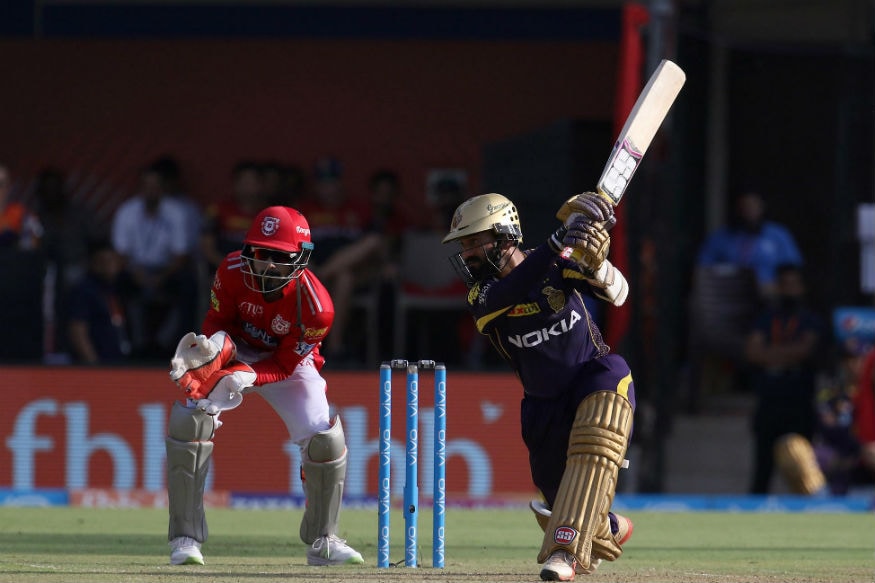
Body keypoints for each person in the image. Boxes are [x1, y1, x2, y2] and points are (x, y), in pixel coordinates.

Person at [441, 192, 634, 581]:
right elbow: (511, 291)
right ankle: (610, 527)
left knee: (597, 439)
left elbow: (619, 293)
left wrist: (596, 263)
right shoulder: (481, 294)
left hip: (594, 375)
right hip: (542, 405)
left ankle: (564, 553)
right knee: (560, 500)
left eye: (474, 241)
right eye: (463, 245)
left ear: (504, 236)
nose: (467, 253)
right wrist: (557, 241)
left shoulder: (559, 261)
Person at [164, 205, 364, 568]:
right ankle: (185, 538)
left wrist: (248, 375)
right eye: (260, 253)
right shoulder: (230, 270)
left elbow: (286, 364)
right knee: (190, 421)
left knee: (324, 439)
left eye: (280, 257)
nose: (267, 265)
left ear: (300, 259)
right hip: (235, 349)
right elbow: (216, 321)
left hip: (287, 364)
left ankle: (324, 541)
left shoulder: (317, 307)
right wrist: (210, 352)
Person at [743, 263, 825, 494]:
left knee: (803, 467)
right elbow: (752, 352)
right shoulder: (766, 318)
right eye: (784, 285)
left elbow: (806, 349)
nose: (789, 290)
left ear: (802, 287)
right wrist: (787, 355)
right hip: (770, 400)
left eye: (794, 285)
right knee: (762, 469)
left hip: (799, 400)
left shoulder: (810, 319)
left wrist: (770, 355)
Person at [111, 162, 193, 360]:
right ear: (139, 188)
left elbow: (181, 255)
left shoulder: (176, 212)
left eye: (155, 186)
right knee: (118, 281)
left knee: (188, 283)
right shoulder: (127, 211)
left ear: (163, 188)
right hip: (135, 269)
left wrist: (161, 277)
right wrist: (137, 273)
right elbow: (120, 254)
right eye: (146, 186)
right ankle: (134, 346)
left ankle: (167, 346)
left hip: (167, 270)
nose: (151, 191)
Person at [298, 157, 375, 364]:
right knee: (328, 275)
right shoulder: (304, 210)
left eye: (332, 182)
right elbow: (294, 244)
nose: (328, 189)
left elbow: (375, 243)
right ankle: (317, 347)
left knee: (346, 275)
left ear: (340, 183)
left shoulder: (358, 210)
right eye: (323, 183)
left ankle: (334, 348)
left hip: (353, 275)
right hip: (309, 272)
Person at [697, 189, 803, 300]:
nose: (749, 212)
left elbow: (791, 270)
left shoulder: (777, 234)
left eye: (753, 207)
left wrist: (776, 288)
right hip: (728, 294)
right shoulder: (720, 237)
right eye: (745, 208)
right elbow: (702, 269)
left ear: (761, 208)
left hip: (768, 294)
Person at [66, 238, 130, 364]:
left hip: (118, 362)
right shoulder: (83, 290)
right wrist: (94, 364)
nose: (109, 266)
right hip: (98, 366)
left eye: (112, 260)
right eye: (103, 261)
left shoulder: (116, 288)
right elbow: (77, 330)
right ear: (92, 263)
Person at [200, 160, 267, 271]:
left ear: (261, 185)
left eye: (251, 182)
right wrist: (231, 269)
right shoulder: (217, 210)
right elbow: (207, 249)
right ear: (234, 184)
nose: (246, 187)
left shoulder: (270, 215)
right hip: (222, 271)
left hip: (258, 274)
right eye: (242, 181)